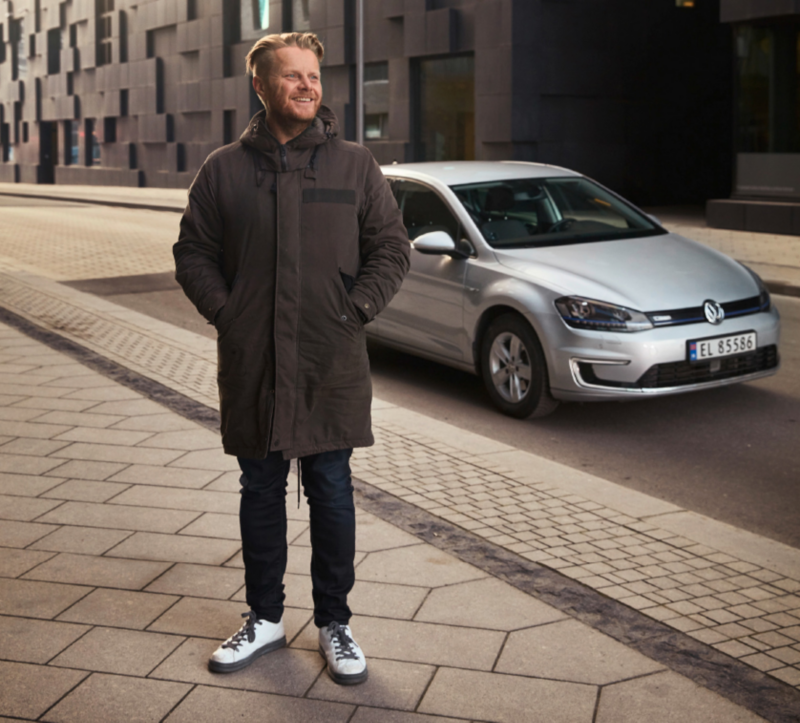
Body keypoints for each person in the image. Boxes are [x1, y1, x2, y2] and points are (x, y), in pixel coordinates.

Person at [173, 31, 410, 686]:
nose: (308, 85)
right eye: (292, 76)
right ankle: (266, 616)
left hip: (329, 360)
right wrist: (230, 312)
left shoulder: (354, 165)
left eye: (314, 75)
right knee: (260, 488)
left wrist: (355, 310)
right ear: (260, 86)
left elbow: (391, 248)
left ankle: (335, 621)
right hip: (255, 359)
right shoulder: (223, 168)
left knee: (331, 488)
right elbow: (191, 251)